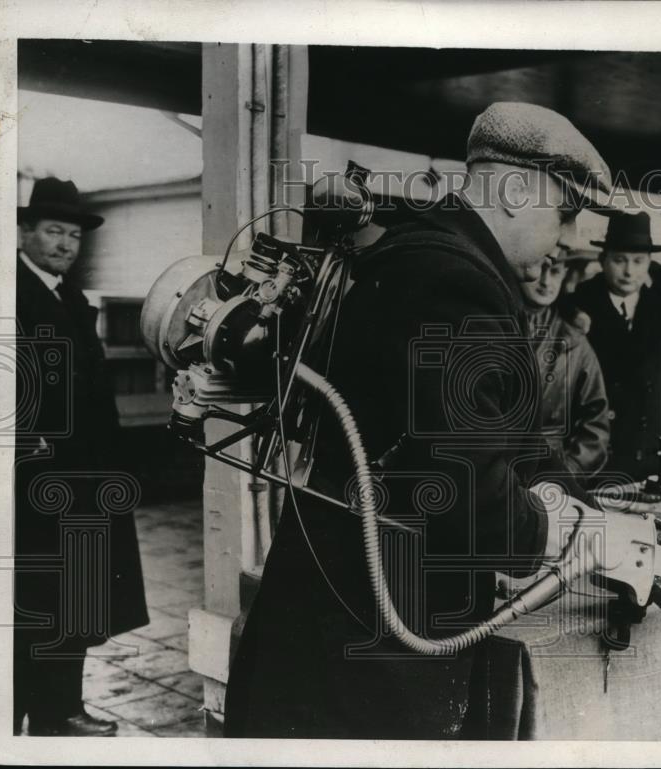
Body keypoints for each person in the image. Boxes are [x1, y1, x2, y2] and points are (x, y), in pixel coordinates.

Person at [224, 102, 619, 739]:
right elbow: (473, 506)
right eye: (566, 211)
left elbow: (503, 437)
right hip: (370, 647)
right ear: (515, 191)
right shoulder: (456, 284)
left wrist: (580, 503)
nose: (570, 240)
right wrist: (574, 534)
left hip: (338, 616)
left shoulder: (420, 256)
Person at [14, 178, 149, 736]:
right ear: (24, 231)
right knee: (33, 602)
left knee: (78, 599)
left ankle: (60, 711)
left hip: (87, 479)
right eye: (53, 231)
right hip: (35, 485)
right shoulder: (8, 293)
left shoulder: (70, 297)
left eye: (74, 234)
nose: (66, 244)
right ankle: (16, 714)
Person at [573, 212, 661, 478]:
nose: (629, 271)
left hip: (648, 464)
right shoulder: (578, 304)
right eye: (619, 260)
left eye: (638, 261)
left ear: (648, 263)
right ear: (603, 259)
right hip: (594, 463)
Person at [520, 250, 609, 481]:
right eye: (540, 270)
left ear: (565, 276)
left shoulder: (574, 342)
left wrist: (564, 474)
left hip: (549, 475)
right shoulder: (492, 325)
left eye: (556, 272)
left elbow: (596, 424)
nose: (546, 282)